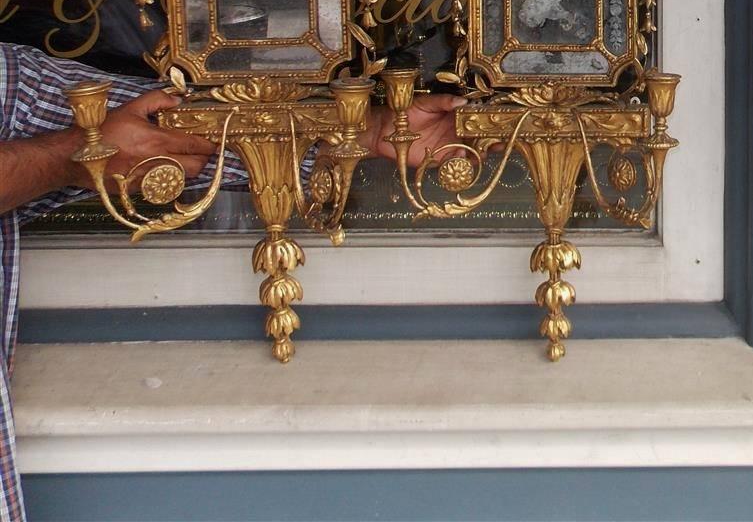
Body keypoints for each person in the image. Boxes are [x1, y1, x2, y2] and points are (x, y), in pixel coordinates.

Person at [0, 43, 462, 522]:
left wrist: (372, 129)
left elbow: (180, 128)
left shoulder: (10, 82)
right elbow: (91, 145)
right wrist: (66, 157)